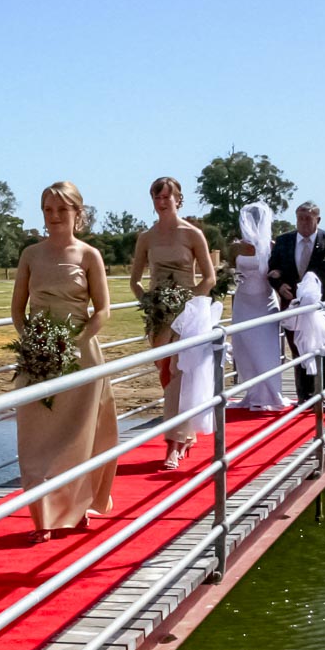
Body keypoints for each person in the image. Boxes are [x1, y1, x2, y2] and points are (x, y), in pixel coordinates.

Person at [11, 181, 117, 542]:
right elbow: (17, 310)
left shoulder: (89, 255)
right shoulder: (30, 254)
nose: (54, 216)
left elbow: (102, 311)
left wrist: (75, 343)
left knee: (77, 436)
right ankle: (43, 517)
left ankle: (74, 507)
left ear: (77, 212)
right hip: (38, 357)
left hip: (81, 354)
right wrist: (35, 345)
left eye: (61, 209)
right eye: (47, 209)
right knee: (36, 438)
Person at [129, 177, 215, 470]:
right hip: (158, 316)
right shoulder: (146, 237)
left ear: (179, 199)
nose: (162, 202)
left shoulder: (192, 234)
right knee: (166, 376)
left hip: (187, 313)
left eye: (167, 197)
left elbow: (209, 278)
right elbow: (135, 280)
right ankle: (185, 433)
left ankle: (173, 446)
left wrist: (189, 303)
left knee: (178, 372)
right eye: (157, 197)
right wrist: (147, 300)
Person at [267, 200, 325, 410]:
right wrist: (279, 285)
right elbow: (272, 269)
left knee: (322, 351)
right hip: (293, 307)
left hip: (323, 309)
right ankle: (304, 397)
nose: (304, 223)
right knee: (299, 351)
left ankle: (323, 396)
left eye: (308, 218)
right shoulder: (284, 241)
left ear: (318, 219)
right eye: (300, 218)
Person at [226, 202, 291, 411]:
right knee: (244, 348)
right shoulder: (236, 247)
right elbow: (229, 270)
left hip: (264, 302)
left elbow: (282, 269)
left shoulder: (272, 246)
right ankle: (252, 392)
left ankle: (271, 393)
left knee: (265, 347)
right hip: (243, 301)